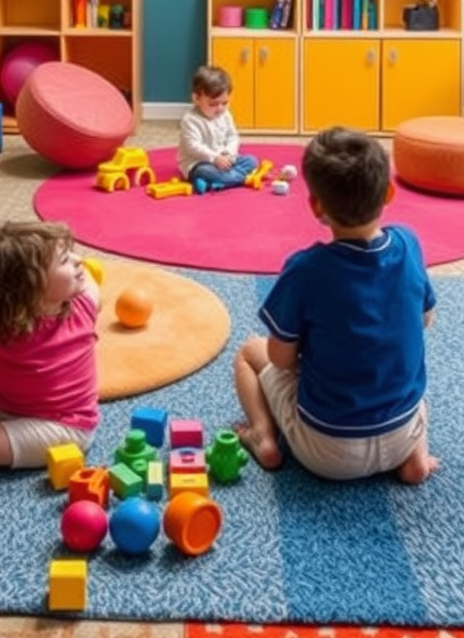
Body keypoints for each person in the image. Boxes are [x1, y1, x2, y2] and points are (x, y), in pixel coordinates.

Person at [233, 125, 439, 484]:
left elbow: (281, 359)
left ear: (316, 206)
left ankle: (262, 436)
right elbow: (426, 319)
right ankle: (415, 461)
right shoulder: (409, 244)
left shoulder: (306, 268)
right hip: (400, 435)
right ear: (388, 192)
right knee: (416, 394)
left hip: (326, 452)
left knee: (248, 354)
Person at [0, 219, 100, 473]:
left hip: (63, 425)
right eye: (64, 260)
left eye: (70, 253)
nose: (78, 260)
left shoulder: (84, 306)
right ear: (30, 287)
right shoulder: (0, 329)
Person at [178, 63, 259, 192]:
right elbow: (193, 146)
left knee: (252, 160)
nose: (220, 108)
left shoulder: (225, 114)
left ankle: (217, 182)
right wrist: (215, 157)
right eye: (213, 104)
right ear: (196, 98)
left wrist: (229, 153)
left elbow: (232, 136)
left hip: (225, 160)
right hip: (200, 162)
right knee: (204, 171)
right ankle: (242, 179)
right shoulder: (190, 120)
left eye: (225, 103)